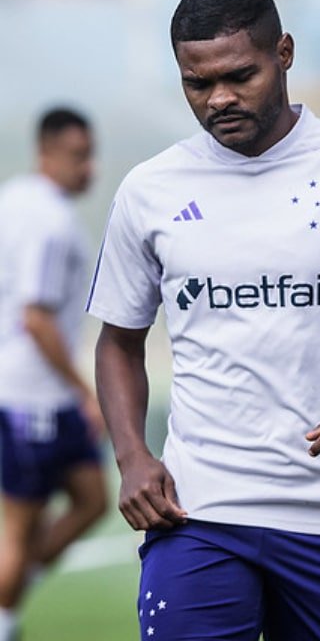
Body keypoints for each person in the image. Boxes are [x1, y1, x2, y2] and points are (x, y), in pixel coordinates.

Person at [87, 0, 320, 640]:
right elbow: (119, 341)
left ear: (285, 53)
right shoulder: (150, 189)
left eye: (240, 76)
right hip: (198, 515)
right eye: (196, 83)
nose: (218, 99)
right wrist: (131, 456)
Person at [0, 108, 107, 641]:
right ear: (47, 153)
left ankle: (12, 583)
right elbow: (35, 317)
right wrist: (83, 389)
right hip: (29, 396)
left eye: (90, 155)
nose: (88, 167)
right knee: (19, 524)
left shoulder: (16, 199)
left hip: (43, 396)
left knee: (93, 499)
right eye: (77, 156)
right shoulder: (47, 221)